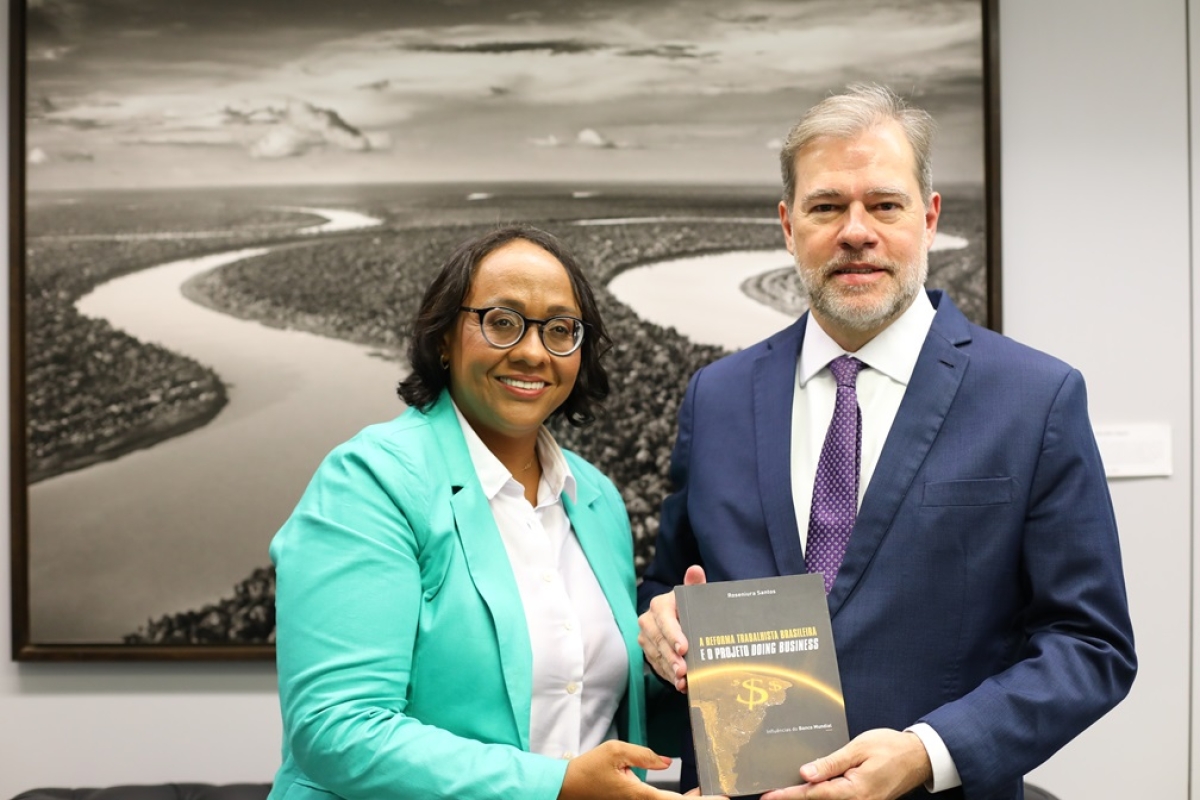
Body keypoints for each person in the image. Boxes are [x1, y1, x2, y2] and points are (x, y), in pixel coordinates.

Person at [637, 84, 1137, 800]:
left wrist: (927, 753)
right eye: (826, 206)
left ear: (929, 218)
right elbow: (670, 586)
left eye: (885, 204)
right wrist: (660, 626)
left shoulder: (1035, 398)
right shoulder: (716, 397)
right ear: (788, 225)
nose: (856, 231)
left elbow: (1091, 647)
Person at [268, 225, 699, 800]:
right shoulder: (370, 482)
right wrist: (558, 786)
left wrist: (687, 665)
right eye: (502, 321)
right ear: (444, 337)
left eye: (561, 330)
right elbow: (336, 731)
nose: (532, 351)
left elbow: (587, 702)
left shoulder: (594, 497)